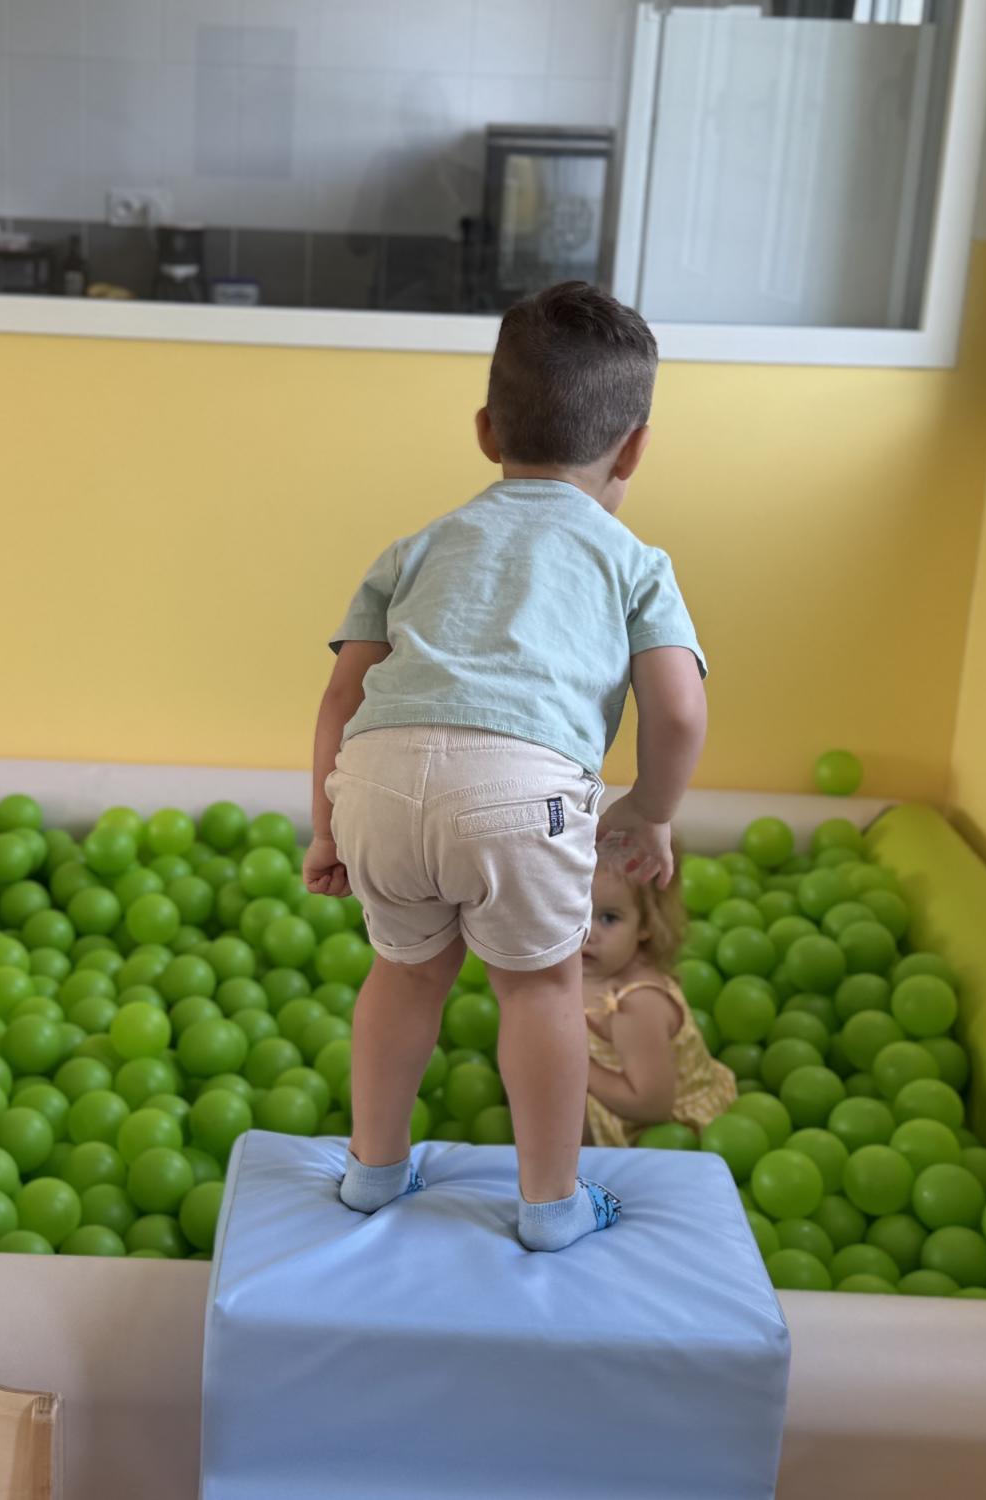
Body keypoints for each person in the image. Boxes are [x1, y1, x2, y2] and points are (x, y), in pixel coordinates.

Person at [301, 281, 708, 1251]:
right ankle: (547, 1204)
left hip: (379, 781)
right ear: (634, 448)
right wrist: (648, 812)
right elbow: (678, 709)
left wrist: (327, 827)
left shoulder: (416, 547)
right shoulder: (631, 560)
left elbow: (340, 697)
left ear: (486, 430)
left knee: (404, 976)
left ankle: (371, 1172)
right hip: (522, 797)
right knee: (537, 990)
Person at [582, 860, 737, 1147]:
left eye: (608, 918)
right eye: (575, 910)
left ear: (645, 925)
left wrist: (579, 1065)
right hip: (615, 1087)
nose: (587, 932)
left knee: (551, 1102)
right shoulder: (583, 964)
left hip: (664, 1127)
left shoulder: (635, 1005)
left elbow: (653, 1107)